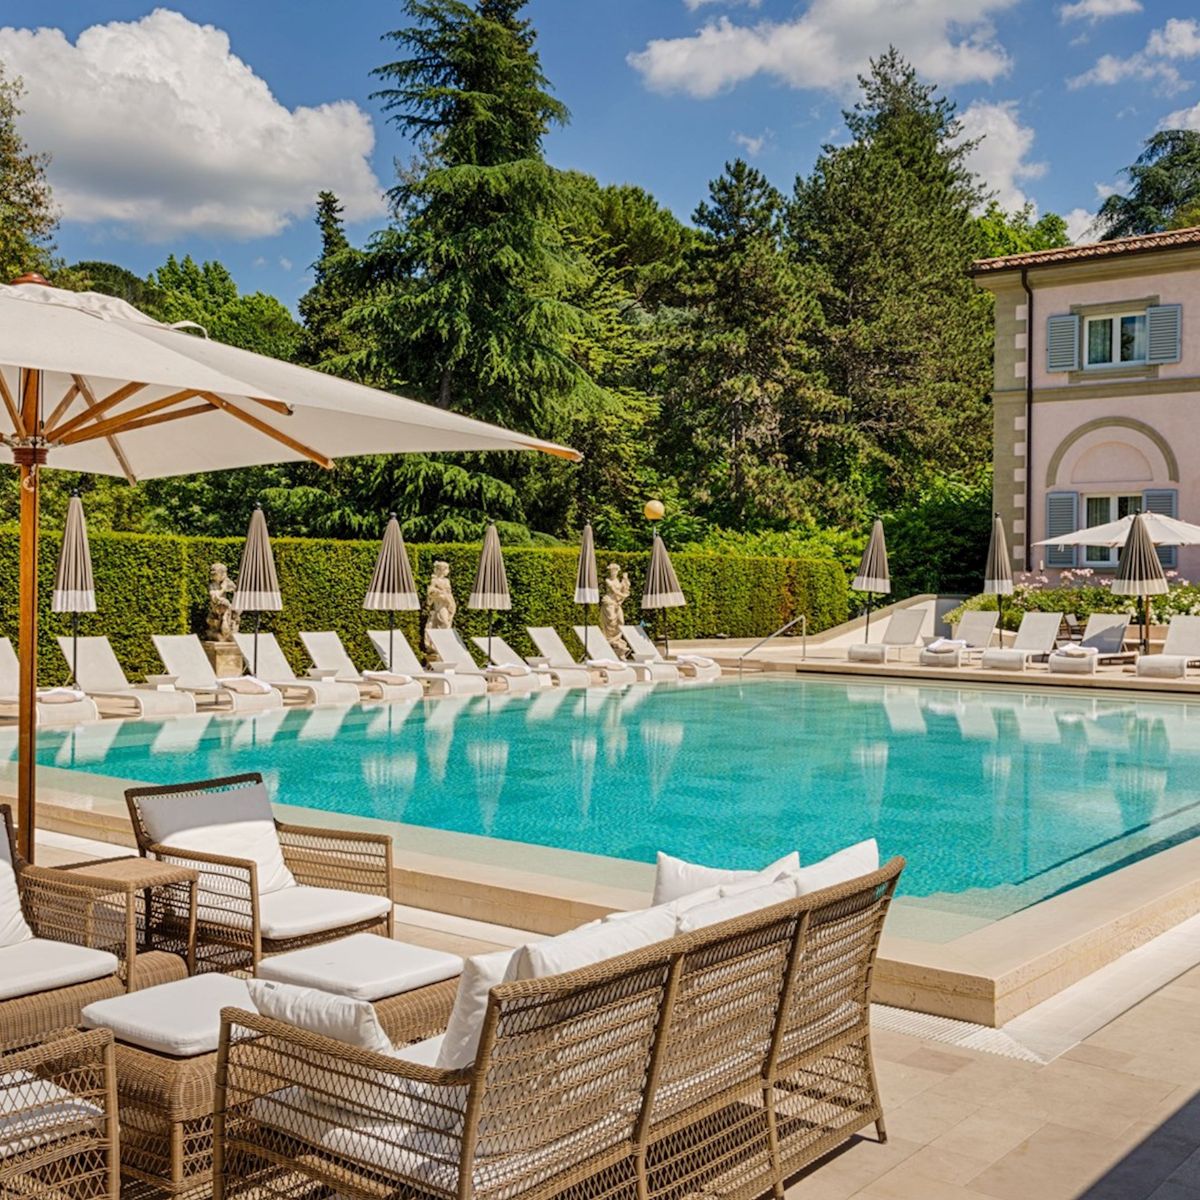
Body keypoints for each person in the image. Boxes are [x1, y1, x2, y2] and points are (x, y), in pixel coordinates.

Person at [599, 562, 632, 658]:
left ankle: (616, 639)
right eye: (612, 571)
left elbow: (623, 588)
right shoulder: (608, 580)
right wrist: (624, 596)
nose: (614, 573)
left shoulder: (617, 580)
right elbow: (615, 591)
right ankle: (610, 640)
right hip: (608, 603)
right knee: (611, 621)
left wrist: (625, 580)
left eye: (616, 571)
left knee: (621, 621)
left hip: (616, 604)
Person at [424, 560, 457, 652]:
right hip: (440, 605)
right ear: (441, 570)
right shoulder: (434, 580)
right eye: (446, 569)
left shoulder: (447, 580)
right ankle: (440, 642)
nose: (448, 571)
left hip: (447, 603)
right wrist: (439, 593)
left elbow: (449, 592)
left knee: (447, 622)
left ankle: (442, 643)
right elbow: (430, 591)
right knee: (444, 623)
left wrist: (449, 600)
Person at [205, 562, 239, 642]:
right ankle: (223, 628)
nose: (225, 575)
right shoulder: (212, 585)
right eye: (223, 573)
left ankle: (229, 628)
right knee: (223, 603)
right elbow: (214, 598)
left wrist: (232, 588)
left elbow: (236, 590)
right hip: (217, 608)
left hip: (226, 608)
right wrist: (223, 589)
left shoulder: (226, 582)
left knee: (232, 608)